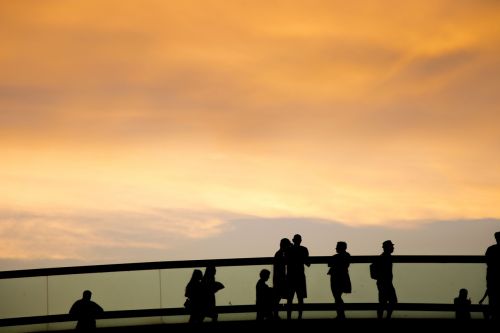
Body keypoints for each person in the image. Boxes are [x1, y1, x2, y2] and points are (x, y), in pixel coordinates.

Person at [286, 234, 310, 320]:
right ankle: (300, 316)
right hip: (300, 276)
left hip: (290, 276)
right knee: (300, 298)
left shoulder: (288, 250)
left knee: (289, 298)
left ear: (293, 240)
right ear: (300, 241)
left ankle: (288, 316)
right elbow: (308, 264)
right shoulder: (304, 249)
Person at [328, 241, 351, 320]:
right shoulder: (347, 255)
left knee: (337, 297)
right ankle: (341, 314)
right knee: (337, 297)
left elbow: (329, 264)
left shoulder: (336, 256)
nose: (336, 248)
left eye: (337, 247)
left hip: (336, 278)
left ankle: (341, 315)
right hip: (343, 277)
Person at [374, 240, 397, 320]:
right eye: (391, 246)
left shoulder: (383, 257)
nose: (393, 248)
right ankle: (386, 317)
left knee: (383, 301)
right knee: (390, 301)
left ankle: (382, 317)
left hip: (383, 282)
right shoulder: (386, 258)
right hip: (385, 283)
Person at [273, 237, 291, 319]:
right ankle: (276, 315)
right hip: (280, 279)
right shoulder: (281, 254)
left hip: (278, 279)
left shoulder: (279, 253)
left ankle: (275, 314)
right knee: (278, 297)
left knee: (277, 297)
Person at [485, 231, 500, 320]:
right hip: (493, 277)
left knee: (493, 298)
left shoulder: (491, 249)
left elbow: (488, 263)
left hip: (492, 277)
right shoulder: (491, 249)